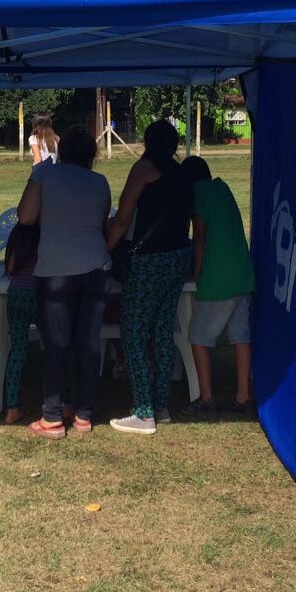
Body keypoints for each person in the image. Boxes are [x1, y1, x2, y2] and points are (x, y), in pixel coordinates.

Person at [16, 125, 110, 439]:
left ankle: (52, 416)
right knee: (88, 343)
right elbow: (101, 220)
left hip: (55, 268)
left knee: (56, 344)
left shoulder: (44, 174)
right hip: (95, 266)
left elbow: (26, 216)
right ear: (91, 156)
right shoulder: (100, 182)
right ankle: (84, 414)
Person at [106, 119, 192, 435]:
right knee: (162, 330)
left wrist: (107, 248)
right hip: (179, 255)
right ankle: (160, 405)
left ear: (147, 142)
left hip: (150, 259)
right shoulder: (182, 174)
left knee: (132, 332)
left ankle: (143, 412)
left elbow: (123, 217)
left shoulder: (143, 170)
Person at [180, 155, 255, 419]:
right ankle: (243, 395)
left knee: (198, 338)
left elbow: (198, 236)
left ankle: (207, 397)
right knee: (240, 336)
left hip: (218, 279)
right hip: (243, 275)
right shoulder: (222, 188)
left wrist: (195, 273)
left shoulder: (199, 194)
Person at [2, 222, 40, 425]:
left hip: (16, 295)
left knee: (17, 350)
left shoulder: (17, 239)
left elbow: (10, 268)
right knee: (54, 348)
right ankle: (65, 400)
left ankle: (12, 407)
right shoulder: (43, 238)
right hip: (39, 297)